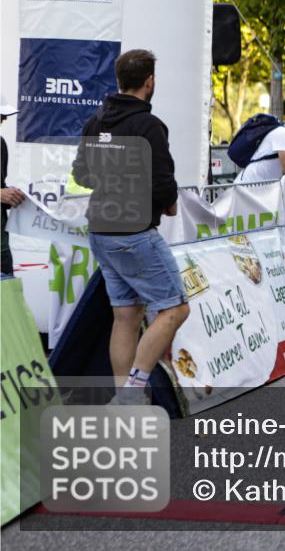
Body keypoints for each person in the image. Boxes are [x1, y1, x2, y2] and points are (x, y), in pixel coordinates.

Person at [70, 49, 190, 404]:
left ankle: (125, 398)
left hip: (101, 230)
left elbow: (81, 174)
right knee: (175, 308)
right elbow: (165, 185)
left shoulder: (95, 122)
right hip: (134, 233)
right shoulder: (149, 126)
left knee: (126, 314)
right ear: (149, 82)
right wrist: (166, 205)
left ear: (119, 81)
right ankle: (132, 392)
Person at [1, 107, 27, 276]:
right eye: (1, 116)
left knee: (5, 302)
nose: (3, 120)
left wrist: (11, 195)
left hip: (1, 248)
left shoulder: (0, 144)